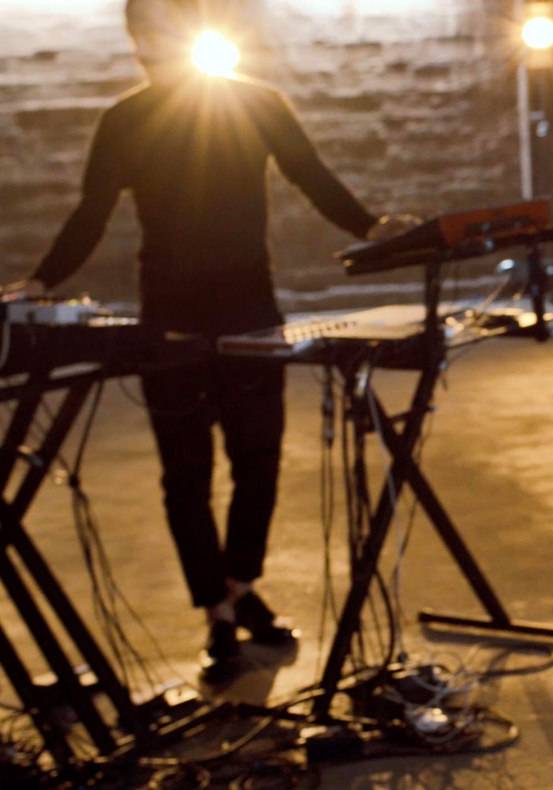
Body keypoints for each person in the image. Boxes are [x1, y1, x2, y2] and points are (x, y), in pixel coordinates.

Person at [2, 0, 414, 683]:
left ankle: (239, 585)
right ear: (134, 40)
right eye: (143, 32)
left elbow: (311, 175)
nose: (153, 43)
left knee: (258, 462)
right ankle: (220, 613)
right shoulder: (125, 120)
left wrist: (371, 228)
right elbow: (91, 213)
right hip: (170, 322)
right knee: (186, 477)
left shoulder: (256, 102)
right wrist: (43, 280)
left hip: (250, 313)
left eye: (165, 27)